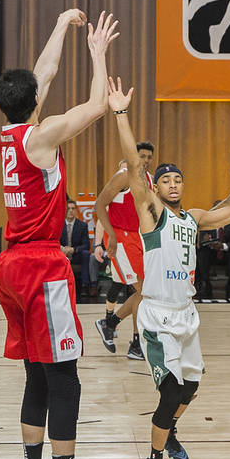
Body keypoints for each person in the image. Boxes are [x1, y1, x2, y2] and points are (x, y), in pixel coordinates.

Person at [0, 9, 116, 459]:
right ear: (35, 102)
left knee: (38, 377)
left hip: (11, 265)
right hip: (42, 265)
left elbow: (40, 73)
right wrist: (96, 54)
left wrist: (62, 25)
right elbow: (93, 107)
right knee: (65, 378)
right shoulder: (40, 137)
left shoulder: (9, 130)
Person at [108, 75, 230, 459]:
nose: (172, 183)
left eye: (178, 179)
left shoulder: (191, 218)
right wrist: (120, 113)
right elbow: (135, 168)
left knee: (190, 389)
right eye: (166, 179)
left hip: (187, 315)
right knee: (169, 391)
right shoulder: (152, 213)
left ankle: (168, 432)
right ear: (157, 186)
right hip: (156, 315)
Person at [94, 141, 156, 360]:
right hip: (120, 238)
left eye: (149, 157)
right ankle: (135, 344)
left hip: (138, 237)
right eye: (142, 156)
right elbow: (99, 205)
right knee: (143, 291)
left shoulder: (148, 180)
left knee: (145, 292)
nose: (146, 160)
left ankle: (110, 324)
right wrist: (107, 237)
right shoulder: (123, 175)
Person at [60, 198, 91, 299]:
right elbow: (54, 242)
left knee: (86, 253)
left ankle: (85, 285)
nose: (70, 211)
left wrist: (74, 249)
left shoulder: (82, 225)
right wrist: (62, 249)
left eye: (73, 208)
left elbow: (86, 244)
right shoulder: (59, 225)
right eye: (68, 209)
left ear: (76, 210)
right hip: (61, 255)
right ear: (65, 210)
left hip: (76, 255)